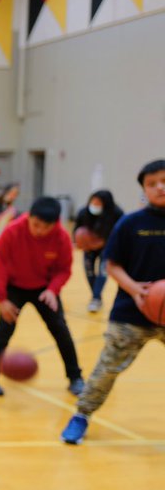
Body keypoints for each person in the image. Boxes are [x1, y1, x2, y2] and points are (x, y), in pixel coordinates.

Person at [62, 160, 165, 444]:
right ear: (144, 189)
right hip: (132, 313)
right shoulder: (131, 223)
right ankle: (81, 416)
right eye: (152, 183)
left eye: (164, 180)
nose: (160, 187)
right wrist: (135, 290)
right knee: (107, 368)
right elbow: (111, 264)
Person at [0, 196, 84, 397]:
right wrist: (2, 299)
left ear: (55, 224)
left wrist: (53, 290)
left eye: (46, 227)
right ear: (29, 217)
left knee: (60, 329)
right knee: (3, 330)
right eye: (35, 225)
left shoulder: (61, 237)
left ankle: (75, 377)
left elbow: (64, 269)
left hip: (44, 289)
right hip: (14, 288)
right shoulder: (11, 232)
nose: (39, 231)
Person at [73, 190, 124, 313]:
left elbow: (122, 232)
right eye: (93, 201)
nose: (94, 204)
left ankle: (95, 298)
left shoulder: (116, 213)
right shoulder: (83, 212)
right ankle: (97, 296)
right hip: (89, 246)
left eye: (98, 202)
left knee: (103, 272)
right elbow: (76, 229)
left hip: (107, 246)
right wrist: (76, 241)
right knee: (89, 272)